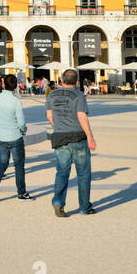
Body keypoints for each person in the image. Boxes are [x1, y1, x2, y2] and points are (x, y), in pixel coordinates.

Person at [47, 68, 97, 217]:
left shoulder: (51, 94)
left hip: (60, 137)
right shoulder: (79, 95)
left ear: (61, 81)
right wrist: (90, 137)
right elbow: (81, 116)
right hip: (78, 137)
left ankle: (58, 202)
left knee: (62, 173)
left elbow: (49, 115)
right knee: (83, 174)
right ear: (76, 82)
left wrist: (58, 127)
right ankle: (84, 207)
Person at [0, 75, 30, 201]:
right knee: (19, 165)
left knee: (2, 163)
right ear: (15, 86)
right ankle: (21, 192)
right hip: (15, 136)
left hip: (0, 135)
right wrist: (23, 130)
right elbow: (21, 122)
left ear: (3, 85)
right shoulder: (15, 101)